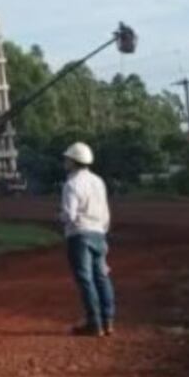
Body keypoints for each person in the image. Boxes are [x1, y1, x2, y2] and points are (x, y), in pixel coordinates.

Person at [60, 142, 115, 338]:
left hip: (79, 235)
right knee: (102, 277)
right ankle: (108, 321)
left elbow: (69, 215)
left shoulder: (71, 184)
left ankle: (94, 323)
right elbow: (105, 211)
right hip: (99, 233)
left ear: (74, 161)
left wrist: (62, 221)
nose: (65, 161)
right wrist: (102, 232)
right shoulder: (98, 181)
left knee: (85, 279)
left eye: (67, 159)